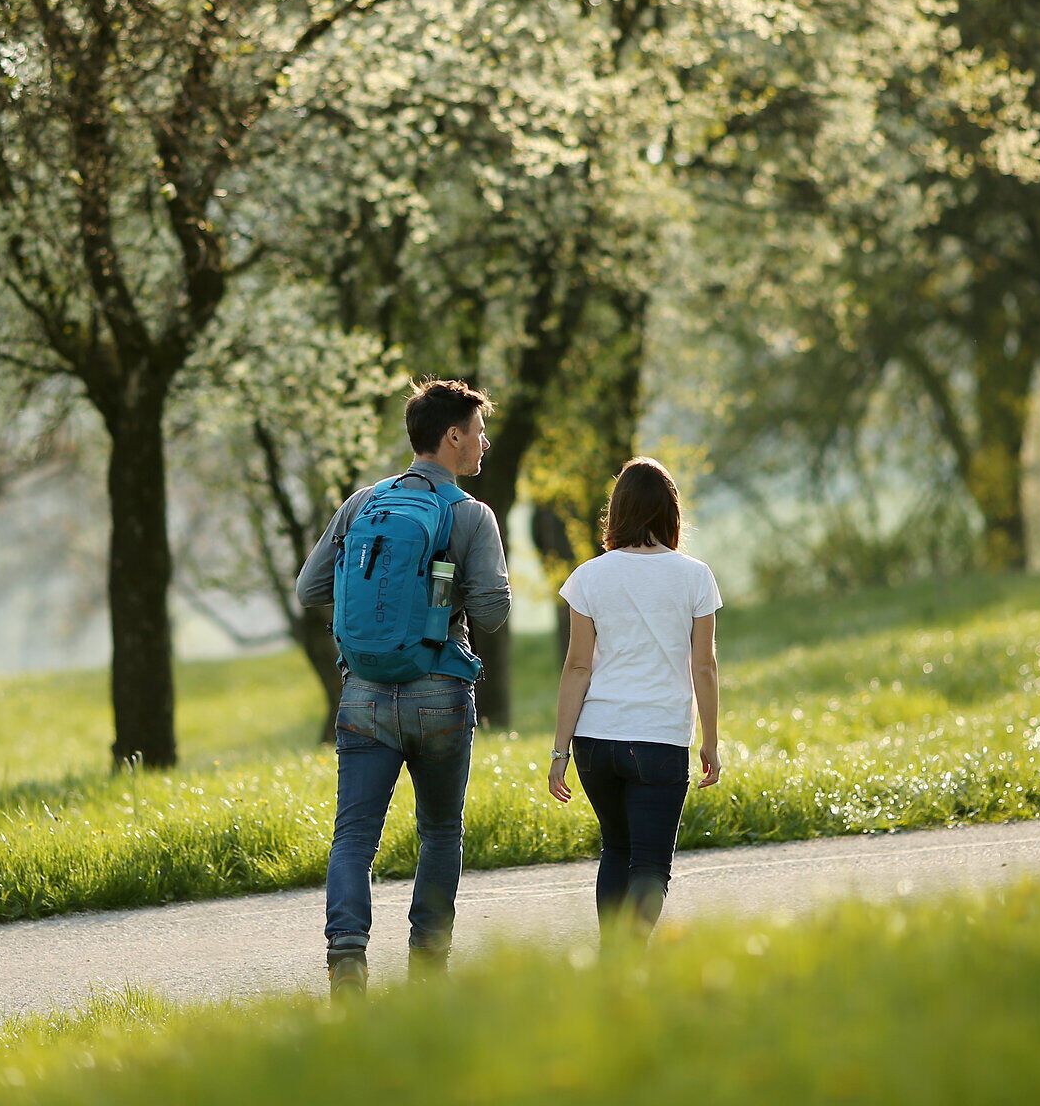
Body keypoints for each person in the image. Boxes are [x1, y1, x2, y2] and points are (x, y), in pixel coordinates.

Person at [296, 378, 511, 997]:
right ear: (452, 436)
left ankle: (347, 960)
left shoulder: (361, 505)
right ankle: (427, 970)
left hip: (362, 694)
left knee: (353, 837)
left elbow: (311, 589)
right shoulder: (471, 516)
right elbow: (493, 613)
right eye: (476, 431)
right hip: (440, 691)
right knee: (439, 831)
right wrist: (443, 601)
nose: (483, 442)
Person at [546, 456, 721, 946]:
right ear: (671, 512)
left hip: (595, 740)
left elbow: (577, 667)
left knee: (616, 849)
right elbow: (703, 666)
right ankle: (626, 956)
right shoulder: (695, 577)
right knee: (649, 863)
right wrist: (710, 740)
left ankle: (612, 961)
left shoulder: (589, 576)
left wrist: (560, 751)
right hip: (659, 740)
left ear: (617, 511)